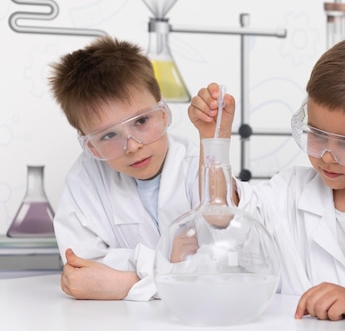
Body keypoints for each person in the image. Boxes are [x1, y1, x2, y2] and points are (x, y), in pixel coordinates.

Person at [188, 38, 345, 320]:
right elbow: (221, 217)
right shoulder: (287, 191)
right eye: (316, 134)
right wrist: (213, 139)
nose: (328, 156)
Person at [49, 36, 230, 301]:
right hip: (118, 329)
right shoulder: (84, 180)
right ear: (91, 147)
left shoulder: (201, 165)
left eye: (141, 121)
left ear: (164, 113)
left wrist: (124, 284)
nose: (132, 146)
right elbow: (83, 270)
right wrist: (170, 261)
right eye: (109, 136)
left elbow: (223, 266)